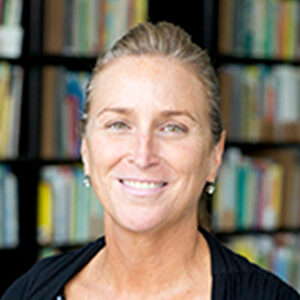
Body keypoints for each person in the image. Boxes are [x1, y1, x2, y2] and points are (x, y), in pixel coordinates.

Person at [3, 21, 300, 300]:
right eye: (119, 124)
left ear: (214, 155)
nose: (143, 155)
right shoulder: (32, 291)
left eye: (173, 128)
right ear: (86, 149)